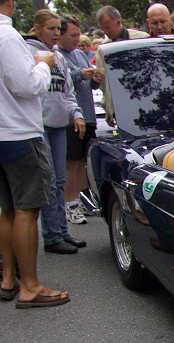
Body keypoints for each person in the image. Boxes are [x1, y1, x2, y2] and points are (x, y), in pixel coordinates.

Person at [0, 0, 70, 307]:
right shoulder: (8, 36)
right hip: (19, 133)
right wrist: (44, 63)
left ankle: (8, 278)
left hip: (2, 134)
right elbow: (27, 85)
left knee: (9, 209)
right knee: (27, 210)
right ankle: (29, 285)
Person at [25, 9, 87, 255]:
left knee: (60, 180)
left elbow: (68, 92)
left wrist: (77, 113)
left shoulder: (59, 58)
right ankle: (51, 236)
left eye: (57, 29)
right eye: (50, 29)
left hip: (60, 124)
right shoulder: (29, 53)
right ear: (38, 28)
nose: (55, 33)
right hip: (40, 125)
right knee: (49, 181)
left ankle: (61, 230)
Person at [57, 14, 104, 225]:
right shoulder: (57, 56)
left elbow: (90, 86)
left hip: (89, 115)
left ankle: (83, 199)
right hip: (71, 119)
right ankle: (70, 204)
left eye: (79, 34)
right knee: (71, 163)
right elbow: (65, 81)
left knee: (84, 162)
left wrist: (95, 79)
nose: (77, 39)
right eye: (72, 35)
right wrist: (79, 75)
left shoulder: (80, 54)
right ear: (61, 34)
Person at [95, 5, 147, 126]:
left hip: (144, 102)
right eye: (103, 29)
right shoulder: (103, 49)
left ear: (118, 22)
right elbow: (103, 84)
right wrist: (108, 108)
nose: (105, 32)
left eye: (108, 28)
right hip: (120, 109)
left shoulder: (141, 39)